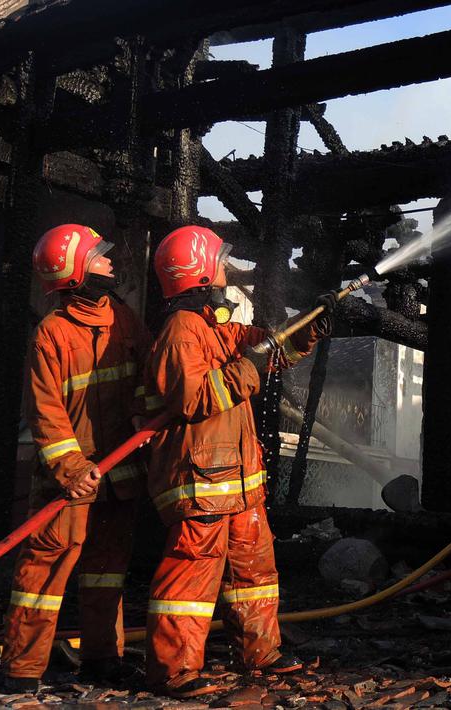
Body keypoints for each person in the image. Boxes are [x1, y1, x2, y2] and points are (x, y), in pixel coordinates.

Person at [141, 226, 332, 698]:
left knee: (253, 570)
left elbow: (264, 344)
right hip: (201, 479)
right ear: (199, 270)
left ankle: (260, 653)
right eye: (220, 262)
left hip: (238, 478)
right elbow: (196, 398)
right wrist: (253, 367)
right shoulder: (182, 332)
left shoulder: (210, 323)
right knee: (191, 575)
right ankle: (175, 671)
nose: (226, 269)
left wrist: (306, 326)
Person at [1, 224, 151, 693]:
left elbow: (151, 376)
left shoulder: (125, 320)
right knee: (43, 572)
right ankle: (22, 669)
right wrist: (71, 469)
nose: (109, 261)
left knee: (106, 574)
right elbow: (46, 413)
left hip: (119, 476)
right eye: (98, 256)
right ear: (75, 272)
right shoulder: (52, 333)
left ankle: (103, 659)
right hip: (69, 481)